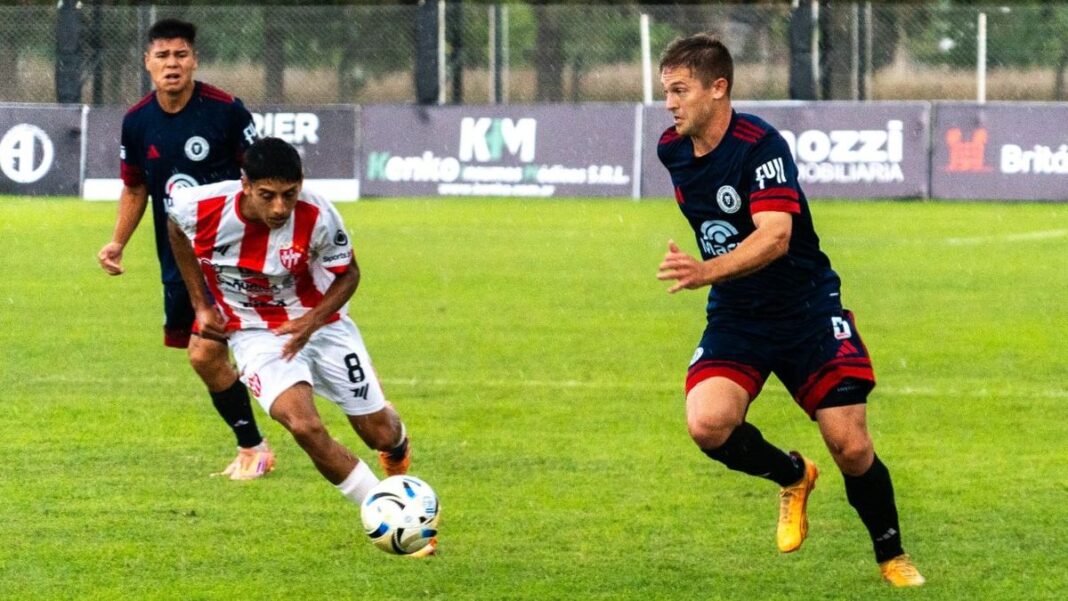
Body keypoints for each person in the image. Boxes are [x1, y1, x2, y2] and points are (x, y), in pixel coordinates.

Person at [654, 34, 924, 587]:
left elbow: (776, 238)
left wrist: (705, 269)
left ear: (718, 88)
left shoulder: (761, 145)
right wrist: (715, 277)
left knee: (850, 444)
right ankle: (793, 475)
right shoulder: (672, 150)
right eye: (666, 91)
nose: (670, 103)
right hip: (738, 313)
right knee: (707, 424)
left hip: (805, 307)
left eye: (680, 90)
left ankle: (891, 554)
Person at [165, 137, 430, 554]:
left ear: (301, 185)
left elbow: (349, 274)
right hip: (254, 333)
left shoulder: (318, 213)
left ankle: (396, 446)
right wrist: (200, 304)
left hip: (324, 326)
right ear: (245, 184)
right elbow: (176, 228)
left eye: (289, 195)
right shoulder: (199, 206)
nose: (278, 208)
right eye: (267, 196)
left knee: (378, 432)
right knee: (304, 425)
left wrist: (310, 321)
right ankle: (389, 514)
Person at [96, 19, 274, 479]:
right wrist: (117, 241)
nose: (172, 64)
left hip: (233, 257)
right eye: (162, 56)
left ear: (194, 60)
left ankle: (255, 447)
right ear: (147, 63)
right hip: (178, 259)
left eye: (180, 55)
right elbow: (135, 187)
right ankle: (258, 439)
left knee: (205, 353)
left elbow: (265, 178)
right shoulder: (137, 121)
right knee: (208, 355)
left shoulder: (226, 111)